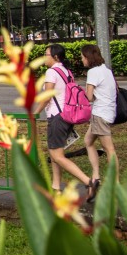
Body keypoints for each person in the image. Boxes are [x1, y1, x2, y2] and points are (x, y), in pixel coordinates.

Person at [35, 44, 100, 201]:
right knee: (55, 153)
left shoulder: (51, 72)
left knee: (57, 156)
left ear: (56, 57)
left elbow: (47, 96)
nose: (44, 57)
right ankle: (56, 187)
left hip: (57, 117)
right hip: (67, 116)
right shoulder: (66, 71)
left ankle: (88, 182)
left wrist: (35, 113)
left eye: (46, 54)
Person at [80, 44, 118, 182]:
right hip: (108, 112)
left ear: (88, 57)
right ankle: (96, 176)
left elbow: (89, 97)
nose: (82, 60)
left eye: (83, 57)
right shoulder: (106, 70)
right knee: (88, 141)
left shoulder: (93, 72)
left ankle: (115, 181)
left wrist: (85, 91)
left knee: (109, 149)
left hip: (100, 113)